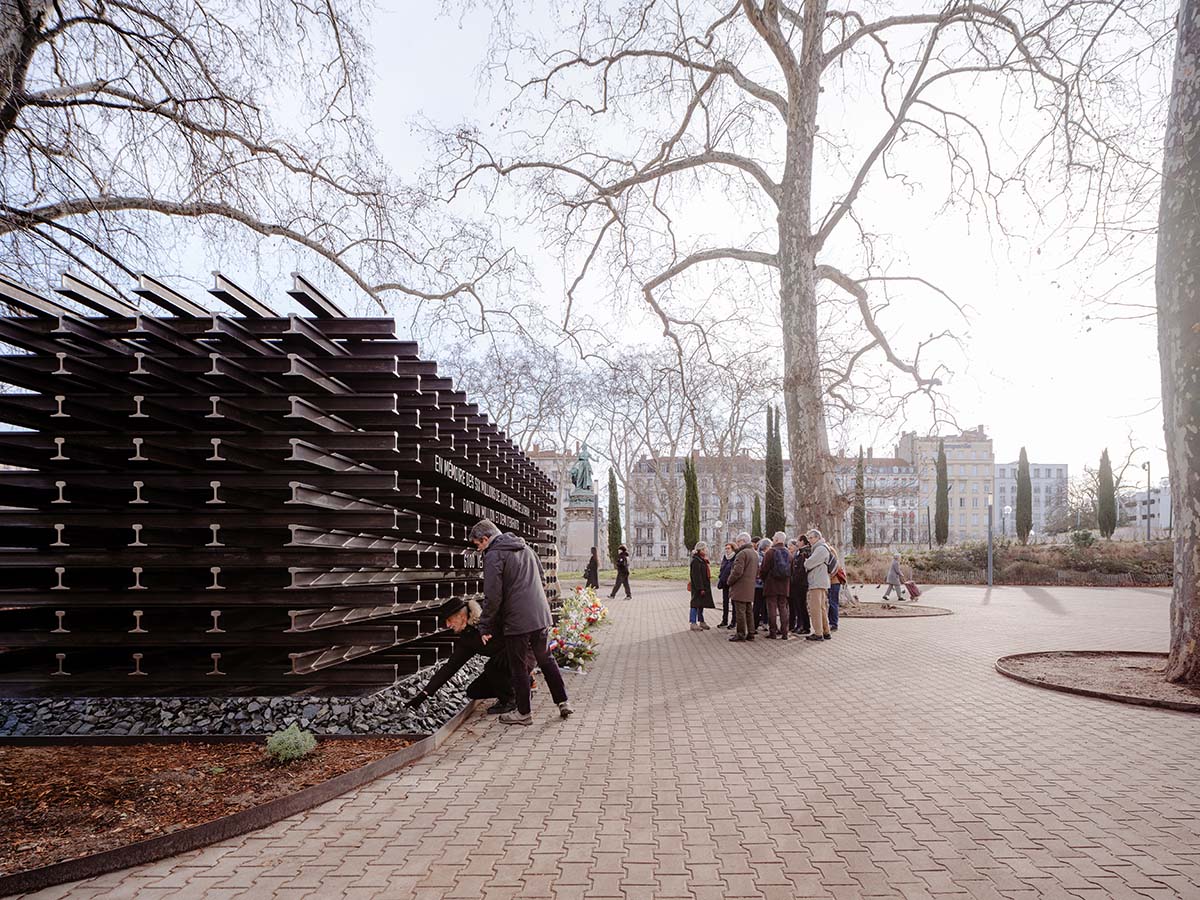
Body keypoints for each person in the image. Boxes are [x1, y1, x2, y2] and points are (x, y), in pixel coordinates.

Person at [471, 519, 573, 726]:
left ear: (485, 538)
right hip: (540, 615)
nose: (479, 549)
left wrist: (485, 625)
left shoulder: (493, 555)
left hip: (517, 620)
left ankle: (524, 713)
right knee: (546, 660)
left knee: (518, 666)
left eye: (478, 545)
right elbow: (543, 580)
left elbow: (493, 595)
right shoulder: (525, 547)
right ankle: (563, 702)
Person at [406, 598, 515, 715]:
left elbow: (515, 622)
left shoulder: (487, 617)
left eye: (449, 620)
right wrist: (424, 694)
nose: (448, 625)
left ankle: (512, 700)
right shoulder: (467, 638)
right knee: (474, 691)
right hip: (504, 663)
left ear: (461, 616)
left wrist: (510, 648)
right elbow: (451, 667)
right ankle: (518, 687)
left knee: (492, 667)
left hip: (519, 652)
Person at [725, 532, 758, 642]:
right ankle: (751, 633)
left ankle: (740, 633)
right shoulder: (754, 553)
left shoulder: (742, 554)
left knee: (740, 611)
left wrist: (729, 581)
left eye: (738, 541)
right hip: (750, 586)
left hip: (740, 587)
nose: (737, 544)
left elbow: (737, 571)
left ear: (742, 541)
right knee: (749, 611)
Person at [759, 531, 791, 639]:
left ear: (776, 540)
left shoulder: (770, 552)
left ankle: (773, 632)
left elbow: (763, 569)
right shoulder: (788, 553)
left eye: (773, 538)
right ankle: (785, 632)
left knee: (771, 608)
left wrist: (765, 579)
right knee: (783, 608)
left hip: (771, 584)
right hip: (784, 585)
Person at [803, 528, 833, 642]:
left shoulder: (820, 549)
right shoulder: (821, 548)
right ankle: (825, 631)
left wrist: (806, 561)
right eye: (808, 538)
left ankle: (818, 633)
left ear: (817, 538)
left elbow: (809, 563)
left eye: (811, 538)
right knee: (821, 608)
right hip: (820, 581)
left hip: (817, 581)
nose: (809, 540)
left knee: (815, 608)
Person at [688, 541, 714, 630]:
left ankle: (701, 621)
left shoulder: (702, 559)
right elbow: (696, 576)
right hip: (698, 587)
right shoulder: (696, 561)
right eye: (705, 548)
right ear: (701, 549)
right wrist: (701, 588)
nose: (706, 550)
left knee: (701, 604)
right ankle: (693, 622)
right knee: (695, 604)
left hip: (703, 586)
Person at [789, 534, 811, 635]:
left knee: (802, 605)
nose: (797, 542)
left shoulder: (805, 553)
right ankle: (800, 625)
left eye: (798, 541)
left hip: (801, 584)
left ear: (802, 541)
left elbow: (801, 570)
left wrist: (795, 579)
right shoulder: (800, 552)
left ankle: (805, 626)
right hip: (797, 583)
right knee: (798, 606)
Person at [716, 542, 735, 628]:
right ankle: (724, 620)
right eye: (726, 548)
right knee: (725, 603)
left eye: (728, 548)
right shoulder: (725, 558)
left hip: (732, 583)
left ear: (732, 549)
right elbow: (722, 568)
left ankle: (733, 622)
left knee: (734, 603)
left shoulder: (735, 557)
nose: (727, 550)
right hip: (724, 583)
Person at [828, 545, 847, 632]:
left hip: (834, 583)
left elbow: (832, 573)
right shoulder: (836, 561)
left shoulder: (834, 562)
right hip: (833, 583)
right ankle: (832, 622)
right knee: (832, 602)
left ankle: (834, 623)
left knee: (833, 602)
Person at [753, 538, 769, 631]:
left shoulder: (758, 556)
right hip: (760, 584)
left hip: (758, 584)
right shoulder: (761, 557)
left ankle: (757, 624)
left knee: (760, 605)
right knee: (759, 605)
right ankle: (758, 624)